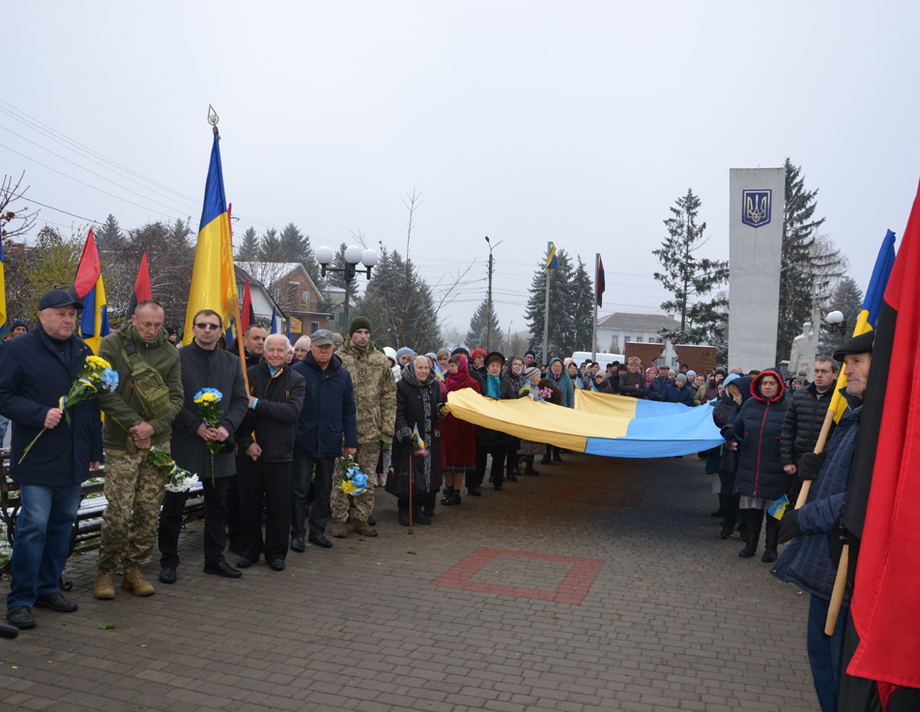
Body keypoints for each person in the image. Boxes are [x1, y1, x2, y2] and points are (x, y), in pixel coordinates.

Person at [772, 333, 872, 712]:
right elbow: (842, 476)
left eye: (857, 361)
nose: (849, 369)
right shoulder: (854, 416)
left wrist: (804, 518)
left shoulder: (881, 427)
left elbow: (861, 498)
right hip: (828, 561)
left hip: (847, 562)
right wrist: (821, 462)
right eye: (846, 362)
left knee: (840, 666)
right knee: (821, 654)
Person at [0, 290, 103, 629]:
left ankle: (48, 587)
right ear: (42, 316)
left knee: (61, 527)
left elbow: (90, 406)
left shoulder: (83, 351)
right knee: (34, 528)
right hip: (38, 458)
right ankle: (20, 600)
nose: (68, 320)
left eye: (72, 314)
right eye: (60, 314)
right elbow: (3, 395)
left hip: (73, 457)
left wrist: (93, 452)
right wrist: (37, 413)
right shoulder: (17, 349)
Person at [93, 300, 185, 599]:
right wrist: (137, 425)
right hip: (121, 442)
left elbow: (177, 398)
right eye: (146, 324)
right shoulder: (111, 344)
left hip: (158, 442)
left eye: (157, 325)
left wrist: (152, 428)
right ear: (134, 320)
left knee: (148, 511)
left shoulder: (170, 351)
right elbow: (104, 394)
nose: (152, 330)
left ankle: (134, 568)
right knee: (118, 512)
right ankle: (106, 570)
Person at [157, 309, 249, 583]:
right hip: (185, 444)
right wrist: (195, 425)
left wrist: (226, 427)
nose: (207, 330)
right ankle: (168, 560)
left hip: (219, 448)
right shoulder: (176, 358)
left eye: (213, 326)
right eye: (202, 325)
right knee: (174, 506)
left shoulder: (231, 362)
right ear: (193, 329)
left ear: (221, 330)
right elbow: (168, 399)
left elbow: (240, 401)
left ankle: (215, 559)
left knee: (218, 507)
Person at [234, 334, 305, 571]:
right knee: (249, 506)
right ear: (263, 352)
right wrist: (245, 443)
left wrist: (256, 403)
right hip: (250, 454)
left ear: (288, 354)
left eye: (279, 350)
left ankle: (276, 554)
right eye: (270, 349)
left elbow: (291, 413)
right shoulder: (248, 376)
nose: (275, 354)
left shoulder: (296, 380)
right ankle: (251, 549)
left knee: (279, 507)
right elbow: (236, 414)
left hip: (280, 454)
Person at [290, 329, 357, 550]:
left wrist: (351, 442)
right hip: (303, 440)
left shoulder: (342, 375)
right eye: (320, 346)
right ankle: (297, 534)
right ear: (312, 347)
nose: (324, 350)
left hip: (330, 440)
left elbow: (349, 410)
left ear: (333, 348)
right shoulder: (297, 371)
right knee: (299, 491)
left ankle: (317, 532)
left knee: (324, 490)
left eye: (328, 346)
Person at [330, 317, 396, 538]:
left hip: (371, 431)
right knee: (342, 477)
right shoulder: (338, 358)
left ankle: (361, 519)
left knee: (366, 479)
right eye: (358, 332)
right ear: (351, 334)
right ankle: (339, 519)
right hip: (343, 432)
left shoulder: (379, 359)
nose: (363, 336)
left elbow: (388, 395)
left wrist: (387, 430)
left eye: (366, 332)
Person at [720, 369, 789, 562]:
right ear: (759, 386)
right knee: (752, 510)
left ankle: (771, 548)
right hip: (750, 465)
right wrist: (729, 430)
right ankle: (750, 544)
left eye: (771, 383)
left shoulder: (788, 406)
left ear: (779, 386)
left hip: (777, 468)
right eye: (764, 383)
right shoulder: (749, 405)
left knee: (775, 512)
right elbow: (738, 424)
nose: (767, 387)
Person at [388, 355, 443, 525]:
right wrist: (404, 433)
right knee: (408, 476)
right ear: (413, 369)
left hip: (429, 440)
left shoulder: (434, 385)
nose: (423, 371)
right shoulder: (402, 386)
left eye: (426, 368)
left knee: (425, 476)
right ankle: (404, 509)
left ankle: (418, 508)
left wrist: (441, 410)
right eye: (420, 368)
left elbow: (437, 406)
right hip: (409, 440)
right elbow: (398, 413)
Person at [780, 357, 839, 506]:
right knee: (794, 507)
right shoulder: (799, 396)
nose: (819, 375)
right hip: (798, 466)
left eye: (824, 371)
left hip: (827, 466)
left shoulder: (842, 399)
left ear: (835, 374)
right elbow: (788, 429)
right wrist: (787, 460)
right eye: (817, 371)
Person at [441, 353, 481, 503]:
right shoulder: (446, 382)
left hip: (464, 427)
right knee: (447, 461)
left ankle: (456, 492)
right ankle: (449, 489)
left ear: (461, 366)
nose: (450, 368)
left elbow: (476, 405)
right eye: (449, 365)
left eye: (453, 366)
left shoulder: (472, 384)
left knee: (460, 462)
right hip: (448, 427)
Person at [474, 352, 515, 490]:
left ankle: (498, 480)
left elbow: (512, 402)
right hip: (483, 425)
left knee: (499, 456)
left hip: (500, 425)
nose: (495, 368)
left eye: (498, 366)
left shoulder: (506, 383)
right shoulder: (480, 381)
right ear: (487, 367)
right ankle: (477, 481)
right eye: (492, 365)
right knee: (481, 456)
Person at [0, 320, 30, 446]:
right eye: (18, 329)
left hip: (24, 392)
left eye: (23, 330)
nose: (21, 332)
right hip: (6, 391)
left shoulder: (31, 349)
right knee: (2, 424)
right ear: (12, 332)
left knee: (22, 426)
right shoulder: (3, 346)